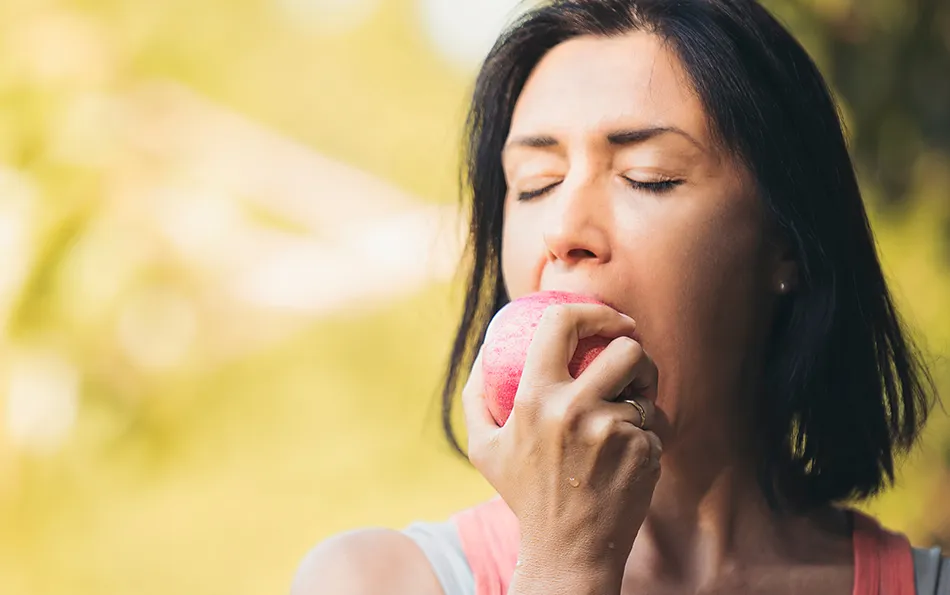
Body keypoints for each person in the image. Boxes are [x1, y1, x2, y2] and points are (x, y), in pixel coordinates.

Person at [291, 0, 949, 593]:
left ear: (787, 245)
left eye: (647, 177)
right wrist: (565, 567)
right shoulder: (369, 580)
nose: (566, 232)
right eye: (535, 183)